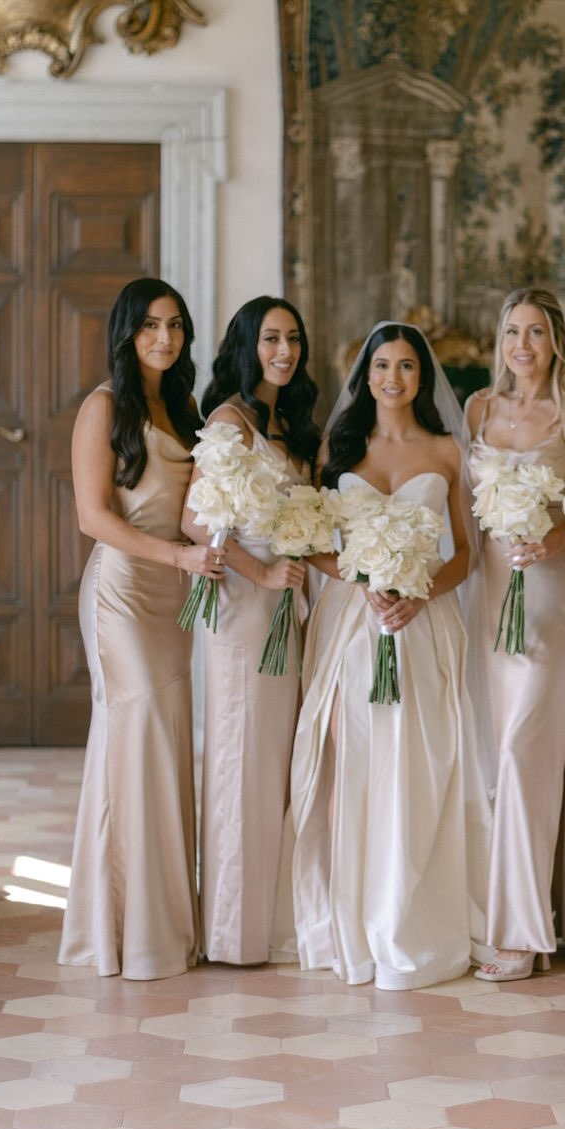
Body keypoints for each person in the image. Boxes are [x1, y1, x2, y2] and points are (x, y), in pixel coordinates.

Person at [289, 322, 490, 989]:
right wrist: (362, 576)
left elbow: (467, 553)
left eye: (406, 366)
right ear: (365, 372)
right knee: (360, 764)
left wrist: (419, 587)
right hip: (352, 626)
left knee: (419, 765)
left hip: (423, 623)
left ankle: (412, 918)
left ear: (422, 377)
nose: (393, 378)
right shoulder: (339, 447)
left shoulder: (446, 451)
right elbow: (310, 542)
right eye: (381, 365)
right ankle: (357, 923)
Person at [59, 277, 222, 980]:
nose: (165, 337)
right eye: (151, 325)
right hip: (123, 593)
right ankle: (117, 930)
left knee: (164, 744)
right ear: (128, 331)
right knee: (136, 734)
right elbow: (93, 517)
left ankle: (162, 926)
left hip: (172, 596)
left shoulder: (184, 408)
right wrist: (179, 555)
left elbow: (188, 508)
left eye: (176, 325)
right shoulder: (104, 406)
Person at [466, 288, 565, 982]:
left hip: (550, 592)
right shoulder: (479, 411)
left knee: (528, 748)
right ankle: (540, 910)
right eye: (513, 331)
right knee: (505, 755)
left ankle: (520, 932)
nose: (523, 344)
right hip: (492, 594)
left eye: (537, 331)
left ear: (556, 342)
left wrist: (554, 537)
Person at [182, 297, 320, 966]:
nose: (285, 350)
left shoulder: (288, 424)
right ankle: (233, 931)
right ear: (247, 343)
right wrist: (262, 575)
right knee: (239, 756)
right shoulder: (228, 423)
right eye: (271, 338)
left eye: (293, 338)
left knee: (273, 761)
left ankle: (268, 917)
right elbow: (194, 520)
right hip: (242, 607)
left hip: (283, 611)